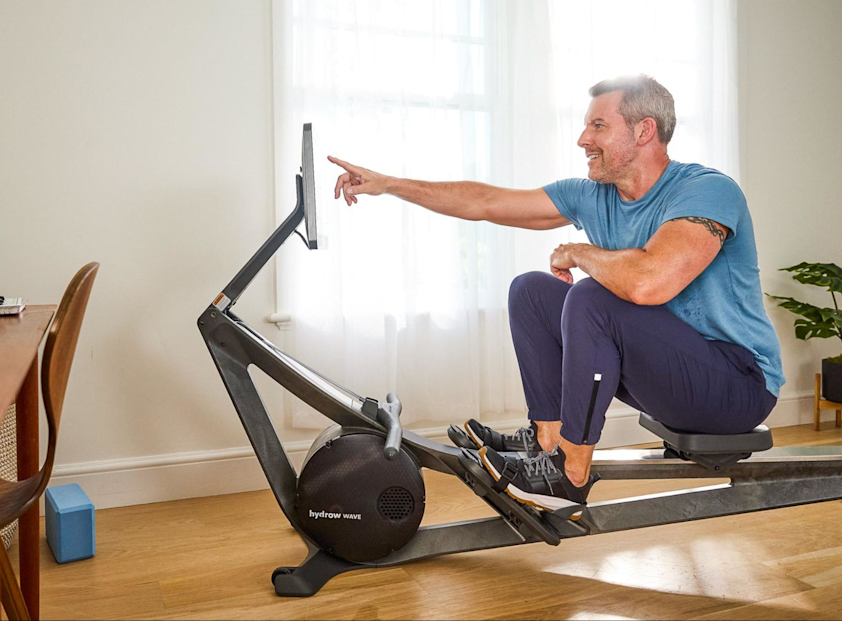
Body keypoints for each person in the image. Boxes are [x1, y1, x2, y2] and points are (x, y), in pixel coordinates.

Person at [329, 74, 783, 518]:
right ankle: (546, 442)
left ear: (645, 130)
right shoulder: (593, 196)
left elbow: (649, 282)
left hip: (737, 386)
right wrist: (388, 184)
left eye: (598, 126)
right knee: (532, 291)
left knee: (592, 297)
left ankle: (570, 474)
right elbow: (485, 202)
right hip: (671, 377)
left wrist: (579, 252)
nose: (583, 138)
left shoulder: (706, 191)